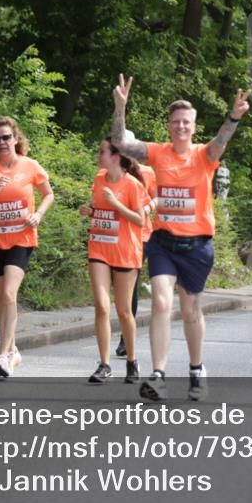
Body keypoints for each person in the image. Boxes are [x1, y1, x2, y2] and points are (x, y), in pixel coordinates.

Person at [110, 73, 250, 401]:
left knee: (189, 311)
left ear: (194, 126)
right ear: (169, 125)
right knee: (160, 301)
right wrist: (120, 108)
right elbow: (120, 143)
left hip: (198, 246)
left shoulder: (205, 156)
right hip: (163, 243)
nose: (181, 127)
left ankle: (196, 367)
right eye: (176, 122)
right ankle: (158, 375)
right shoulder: (158, 153)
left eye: (186, 122)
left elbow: (221, 142)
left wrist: (233, 117)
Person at [0, 116, 54, 378]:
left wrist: (38, 214)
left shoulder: (30, 166)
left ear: (16, 138)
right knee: (1, 300)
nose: (2, 142)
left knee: (9, 294)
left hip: (21, 238)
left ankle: (3, 355)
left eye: (6, 137)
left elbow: (48, 194)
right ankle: (13, 349)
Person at [79, 138, 151, 383]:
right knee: (101, 305)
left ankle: (132, 361)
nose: (99, 155)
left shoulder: (131, 184)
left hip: (125, 251)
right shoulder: (99, 179)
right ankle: (104, 364)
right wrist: (90, 210)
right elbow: (98, 207)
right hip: (99, 247)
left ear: (116, 157)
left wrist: (116, 203)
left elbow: (140, 220)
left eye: (102, 151)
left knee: (123, 310)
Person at [116, 132, 156, 359]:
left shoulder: (147, 172)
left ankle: (124, 337)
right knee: (117, 285)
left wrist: (149, 208)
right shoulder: (108, 172)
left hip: (140, 235)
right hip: (112, 236)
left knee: (130, 285)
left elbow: (157, 197)